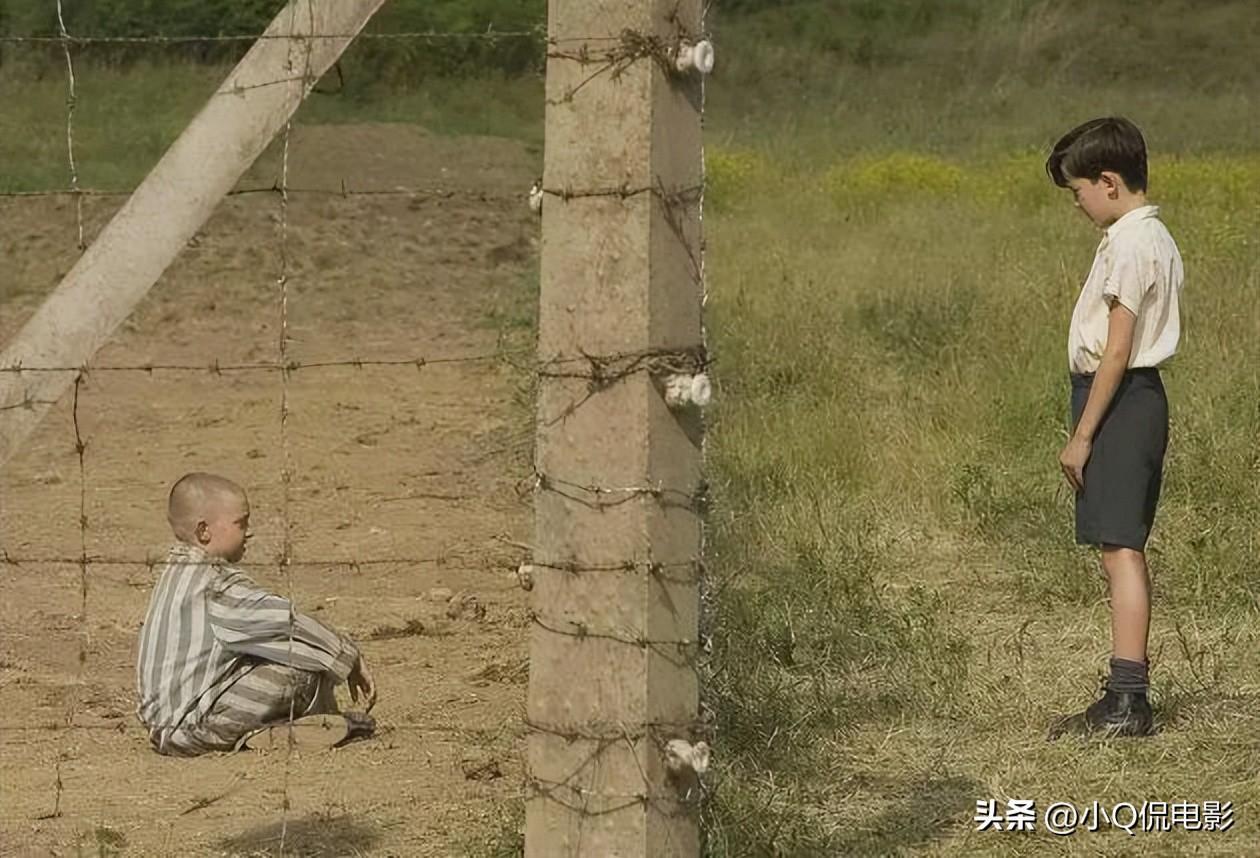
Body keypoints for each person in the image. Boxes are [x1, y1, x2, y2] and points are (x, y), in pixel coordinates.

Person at [1043, 117, 1184, 738]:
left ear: (1108, 181)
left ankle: (1128, 700)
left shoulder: (1132, 243)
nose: (1077, 204)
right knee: (1117, 548)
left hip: (1121, 398)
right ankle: (1126, 695)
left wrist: (1082, 435)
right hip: (1125, 397)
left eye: (1078, 191)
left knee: (1121, 551)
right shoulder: (1144, 236)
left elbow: (1118, 348)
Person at [136, 472, 376, 755]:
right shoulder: (214, 585)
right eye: (241, 523)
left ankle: (273, 730)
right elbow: (285, 622)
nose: (249, 532)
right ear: (204, 531)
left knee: (270, 651)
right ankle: (295, 724)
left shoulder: (176, 573)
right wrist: (348, 654)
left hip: (164, 727)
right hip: (193, 726)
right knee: (300, 664)